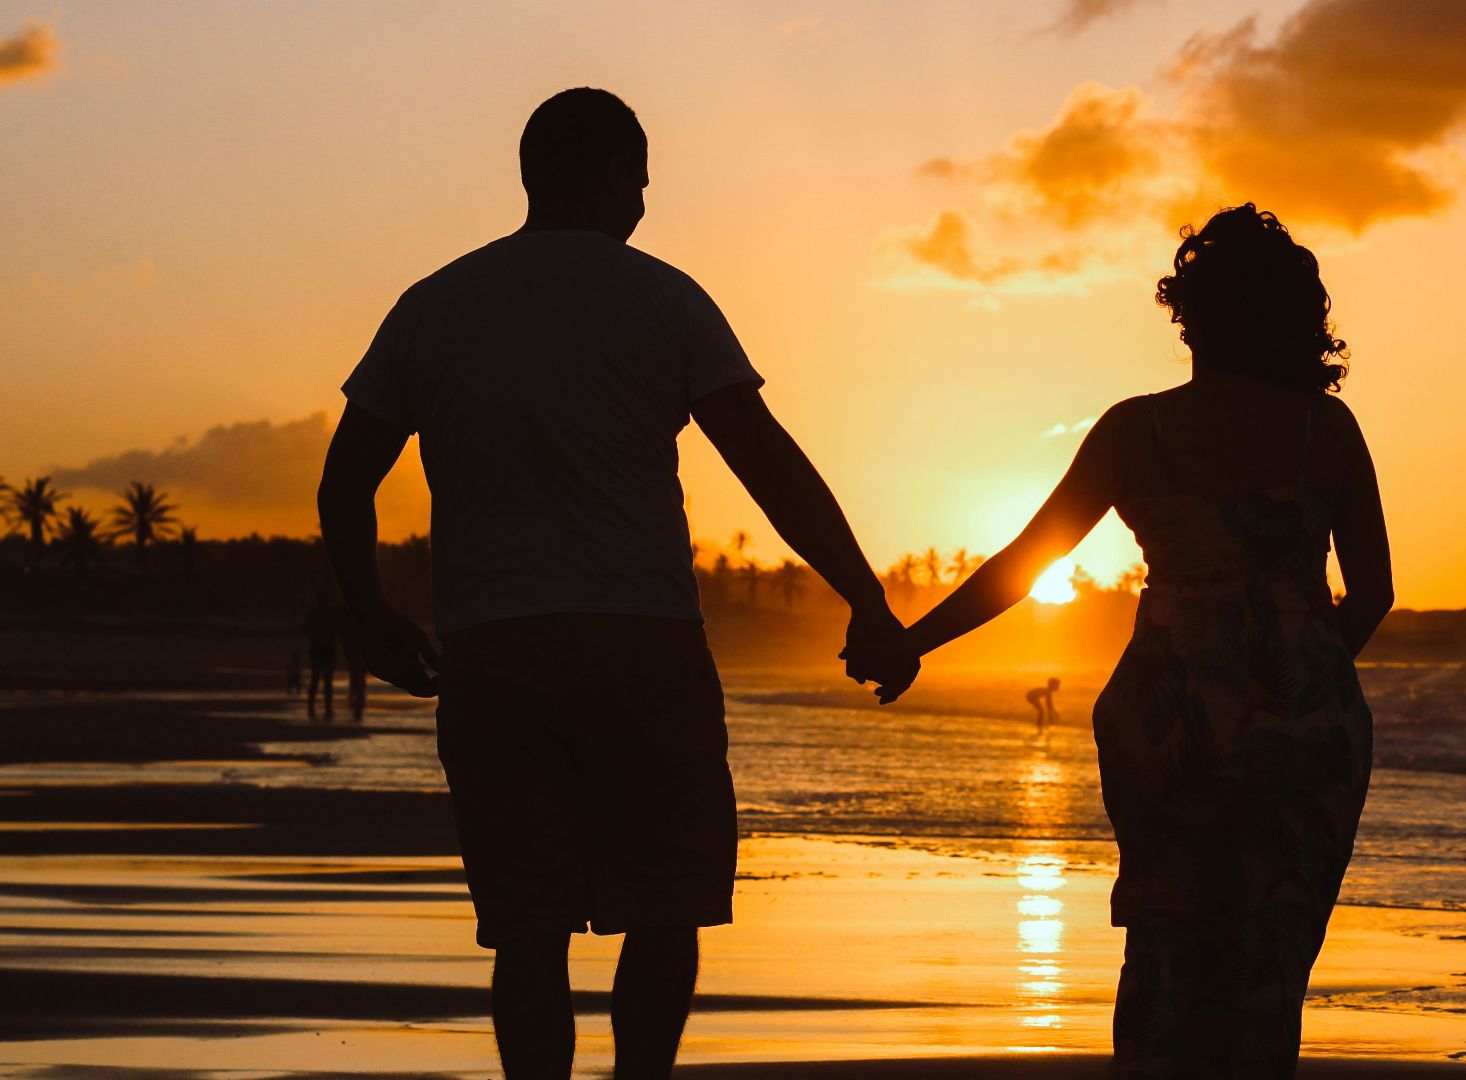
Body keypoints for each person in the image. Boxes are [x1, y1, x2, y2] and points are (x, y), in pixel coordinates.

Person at [317, 87, 916, 1080]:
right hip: (642, 642)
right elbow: (766, 464)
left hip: (493, 649)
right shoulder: (666, 297)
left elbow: (346, 478)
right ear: (607, 174)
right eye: (638, 175)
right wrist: (866, 597)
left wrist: (370, 614)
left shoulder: (434, 304)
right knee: (665, 905)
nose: (644, 196)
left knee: (528, 927)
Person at [847, 204, 1393, 1078]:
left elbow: (1025, 565)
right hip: (1307, 729)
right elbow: (1374, 594)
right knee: (1269, 963)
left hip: (1167, 716)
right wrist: (1299, 681)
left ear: (1191, 314)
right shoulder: (1326, 432)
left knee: (1169, 950)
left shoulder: (1138, 428)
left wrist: (913, 642)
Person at [301, 591, 338, 718]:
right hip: (326, 650)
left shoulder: (314, 614)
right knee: (326, 680)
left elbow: (303, 630)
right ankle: (327, 707)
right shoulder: (332, 615)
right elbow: (340, 630)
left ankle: (312, 706)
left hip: (318, 649)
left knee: (316, 679)